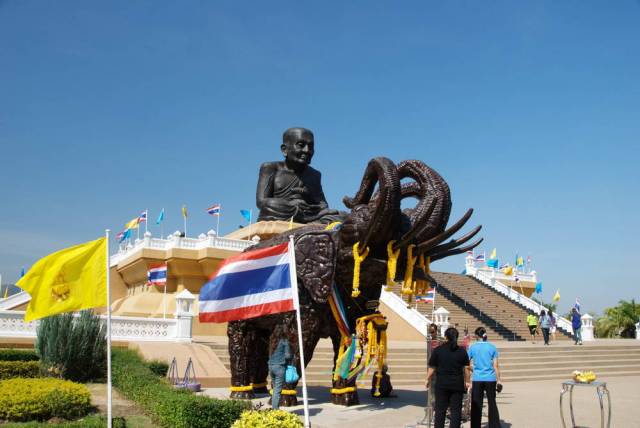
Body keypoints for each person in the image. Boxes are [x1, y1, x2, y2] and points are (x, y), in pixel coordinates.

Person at [256, 127, 342, 224]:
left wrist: (308, 199)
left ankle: (307, 220)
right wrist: (291, 204)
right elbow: (261, 202)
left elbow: (323, 205)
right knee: (270, 204)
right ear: (285, 149)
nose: (307, 150)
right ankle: (305, 219)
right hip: (284, 211)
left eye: (310, 146)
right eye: (301, 145)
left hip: (310, 213)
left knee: (341, 216)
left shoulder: (315, 174)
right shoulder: (271, 168)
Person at [426, 327, 470, 428]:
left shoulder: (438, 350)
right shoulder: (462, 351)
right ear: (457, 337)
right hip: (457, 384)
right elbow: (467, 368)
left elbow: (432, 367)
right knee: (455, 412)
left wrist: (427, 379)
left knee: (440, 411)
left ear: (446, 337)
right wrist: (467, 381)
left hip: (442, 384)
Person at [468, 327, 502, 428]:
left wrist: (474, 370)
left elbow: (468, 365)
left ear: (476, 336)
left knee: (476, 404)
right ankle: (494, 425)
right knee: (492, 402)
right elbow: (495, 366)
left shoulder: (472, 347)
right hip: (490, 378)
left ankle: (475, 425)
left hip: (477, 378)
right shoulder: (492, 347)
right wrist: (499, 380)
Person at [268, 329, 292, 410]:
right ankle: (275, 410)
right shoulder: (284, 341)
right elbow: (288, 356)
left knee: (275, 389)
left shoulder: (273, 342)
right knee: (277, 390)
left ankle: (274, 408)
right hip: (279, 367)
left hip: (271, 366)